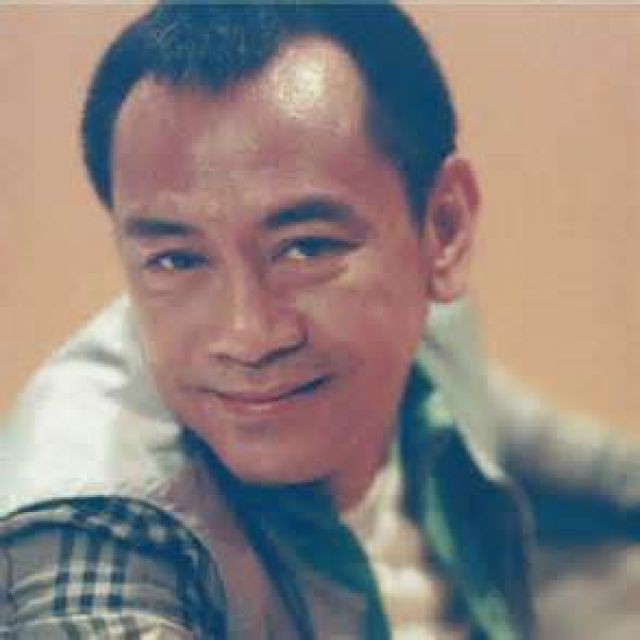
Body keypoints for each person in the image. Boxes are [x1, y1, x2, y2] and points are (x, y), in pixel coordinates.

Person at [2, 3, 640, 638]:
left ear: (442, 230)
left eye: (306, 248)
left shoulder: (431, 340)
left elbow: (580, 461)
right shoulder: (86, 528)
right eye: (177, 259)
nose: (247, 335)